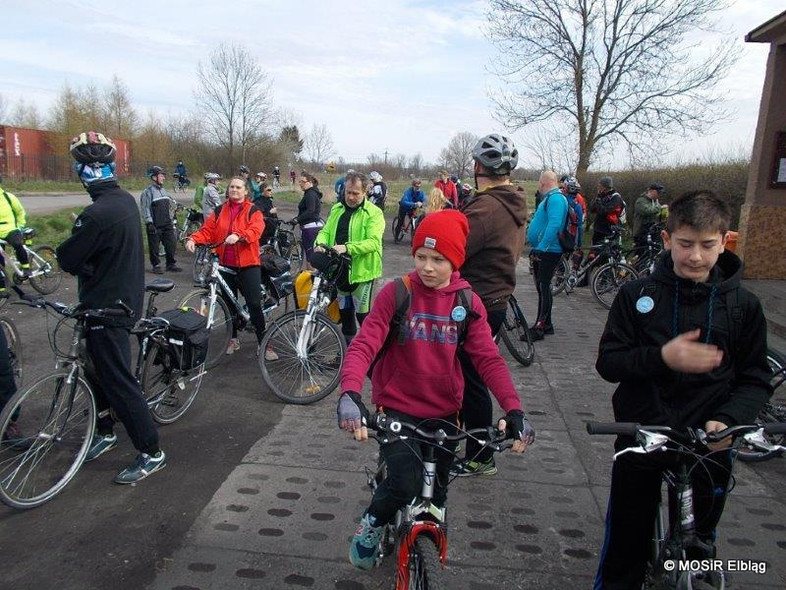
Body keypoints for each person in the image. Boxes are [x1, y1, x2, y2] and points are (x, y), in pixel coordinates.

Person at [336, 209, 535, 570]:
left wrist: (515, 409)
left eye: (438, 259)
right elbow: (364, 344)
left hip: (445, 412)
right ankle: (371, 524)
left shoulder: (467, 303)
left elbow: (489, 361)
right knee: (404, 481)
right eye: (421, 256)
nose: (427, 267)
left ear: (455, 261)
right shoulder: (397, 294)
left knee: (438, 492)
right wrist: (349, 393)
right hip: (397, 408)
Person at [593, 190, 772, 589]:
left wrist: (728, 420)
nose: (695, 256)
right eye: (685, 244)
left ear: (724, 241)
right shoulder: (636, 295)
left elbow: (755, 378)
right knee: (626, 541)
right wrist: (662, 357)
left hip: (710, 441)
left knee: (697, 546)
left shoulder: (743, 306)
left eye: (707, 245)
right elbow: (609, 363)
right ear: (668, 239)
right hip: (643, 432)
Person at [57, 131, 166, 484]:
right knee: (96, 371)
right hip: (115, 302)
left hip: (108, 309)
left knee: (119, 382)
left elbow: (68, 258)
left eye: (80, 167)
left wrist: (82, 259)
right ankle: (104, 432)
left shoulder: (97, 214)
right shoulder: (123, 201)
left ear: (85, 171)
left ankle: (152, 452)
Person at [451, 133, 528, 477]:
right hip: (494, 298)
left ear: (478, 166)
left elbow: (452, 250)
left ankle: (480, 454)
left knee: (470, 379)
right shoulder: (511, 200)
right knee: (469, 374)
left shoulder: (486, 207)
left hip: (475, 301)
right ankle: (463, 440)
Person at [185, 177, 277, 360]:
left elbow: (257, 229)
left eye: (238, 187)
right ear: (228, 191)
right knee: (229, 305)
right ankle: (233, 338)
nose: (234, 190)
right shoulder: (219, 211)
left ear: (245, 191)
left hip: (248, 264)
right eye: (232, 187)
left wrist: (240, 236)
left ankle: (264, 343)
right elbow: (208, 230)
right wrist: (193, 239)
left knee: (254, 304)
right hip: (225, 265)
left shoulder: (253, 210)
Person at [314, 172, 385, 345]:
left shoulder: (373, 213)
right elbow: (326, 231)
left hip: (362, 272)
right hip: (340, 270)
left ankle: (373, 356)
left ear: (365, 192)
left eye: (356, 193)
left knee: (362, 315)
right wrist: (320, 243)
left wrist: (347, 248)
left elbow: (373, 243)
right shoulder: (337, 209)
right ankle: (347, 353)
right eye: (348, 192)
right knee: (345, 314)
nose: (351, 197)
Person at [527, 171, 567, 341]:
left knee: (544, 287)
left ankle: (540, 326)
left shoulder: (556, 199)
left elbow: (555, 224)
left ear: (543, 183)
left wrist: (541, 247)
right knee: (542, 287)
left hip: (549, 250)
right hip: (546, 249)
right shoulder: (552, 198)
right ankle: (546, 323)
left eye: (539, 183)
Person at [140, 166, 181, 274]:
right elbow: (145, 208)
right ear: (154, 177)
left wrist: (177, 206)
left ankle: (170, 264)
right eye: (161, 175)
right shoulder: (148, 192)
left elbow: (171, 202)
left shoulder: (163, 190)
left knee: (171, 243)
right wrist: (149, 222)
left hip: (167, 223)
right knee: (154, 246)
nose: (163, 177)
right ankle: (156, 265)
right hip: (155, 224)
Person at [0, 178, 30, 297]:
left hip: (11, 229)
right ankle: (2, 288)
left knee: (17, 244)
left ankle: (26, 267)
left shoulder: (8, 197)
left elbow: (20, 212)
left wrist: (20, 227)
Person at [291, 172, 324, 266]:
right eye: (299, 181)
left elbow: (310, 211)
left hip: (310, 228)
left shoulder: (311, 194)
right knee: (310, 254)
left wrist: (297, 219)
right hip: (310, 226)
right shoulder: (310, 193)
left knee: (310, 257)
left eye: (302, 181)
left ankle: (311, 279)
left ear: (309, 182)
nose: (300, 184)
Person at [590, 176, 625, 246]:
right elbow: (592, 209)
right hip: (598, 229)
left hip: (609, 230)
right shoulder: (601, 195)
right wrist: (598, 198)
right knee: (594, 251)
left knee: (606, 252)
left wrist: (599, 202)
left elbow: (603, 212)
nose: (598, 187)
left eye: (600, 186)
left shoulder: (615, 198)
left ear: (605, 187)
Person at [632, 183, 666, 250]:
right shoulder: (641, 201)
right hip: (641, 233)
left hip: (652, 232)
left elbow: (656, 214)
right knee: (640, 254)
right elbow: (647, 211)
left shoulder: (655, 201)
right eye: (658, 193)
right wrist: (660, 208)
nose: (659, 195)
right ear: (651, 191)